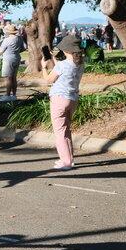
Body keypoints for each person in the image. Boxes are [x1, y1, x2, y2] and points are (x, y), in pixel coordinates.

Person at [44, 34, 85, 170]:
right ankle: (69, 158)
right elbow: (64, 68)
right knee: (66, 130)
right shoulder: (79, 64)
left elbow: (48, 80)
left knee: (60, 132)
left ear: (65, 50)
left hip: (59, 99)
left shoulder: (62, 66)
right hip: (73, 99)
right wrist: (53, 60)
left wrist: (44, 67)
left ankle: (66, 162)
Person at [0, 22, 24, 102]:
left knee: (8, 78)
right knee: (14, 78)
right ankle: (14, 95)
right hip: (17, 57)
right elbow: (23, 48)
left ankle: (7, 95)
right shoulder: (19, 39)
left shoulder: (7, 40)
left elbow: (0, 51)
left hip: (8, 59)